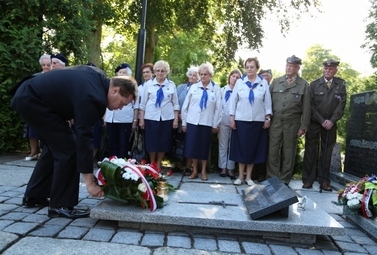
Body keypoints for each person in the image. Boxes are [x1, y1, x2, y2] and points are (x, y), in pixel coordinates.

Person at [11, 65, 137, 219]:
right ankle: (60, 205)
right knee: (69, 149)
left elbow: (70, 88)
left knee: (56, 146)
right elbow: (84, 139)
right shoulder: (94, 96)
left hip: (30, 95)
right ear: (115, 90)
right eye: (122, 103)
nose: (120, 108)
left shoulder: (97, 78)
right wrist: (90, 183)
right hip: (32, 100)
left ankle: (35, 195)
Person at [302, 59, 347, 191]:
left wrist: (332, 121)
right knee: (310, 151)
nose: (328, 71)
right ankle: (308, 180)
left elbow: (341, 105)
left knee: (327, 153)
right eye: (326, 68)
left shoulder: (341, 84)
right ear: (323, 69)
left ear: (335, 70)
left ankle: (324, 180)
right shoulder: (314, 84)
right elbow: (311, 106)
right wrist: (322, 121)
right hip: (315, 123)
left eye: (331, 69)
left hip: (331, 125)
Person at [266, 55, 310, 185]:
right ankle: (272, 179)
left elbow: (307, 107)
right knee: (273, 151)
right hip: (276, 123)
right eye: (287, 65)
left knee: (289, 153)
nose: (289, 68)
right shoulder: (276, 82)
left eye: (292, 66)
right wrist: (267, 118)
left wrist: (304, 126)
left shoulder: (303, 85)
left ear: (297, 68)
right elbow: (267, 102)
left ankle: (285, 180)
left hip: (292, 124)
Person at [229, 58, 272, 186]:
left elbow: (267, 102)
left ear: (257, 68)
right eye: (247, 67)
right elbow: (233, 101)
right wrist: (232, 117)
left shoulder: (263, 83)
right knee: (241, 148)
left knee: (253, 149)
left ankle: (248, 177)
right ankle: (240, 176)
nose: (249, 69)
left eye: (252, 67)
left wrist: (267, 118)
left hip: (257, 121)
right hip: (241, 120)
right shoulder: (240, 83)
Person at [181, 62, 221, 181]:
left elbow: (219, 109)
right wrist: (184, 122)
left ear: (211, 75)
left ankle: (203, 171)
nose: (203, 76)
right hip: (193, 121)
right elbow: (185, 106)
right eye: (201, 74)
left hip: (207, 122)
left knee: (204, 147)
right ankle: (194, 171)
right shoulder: (194, 87)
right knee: (193, 147)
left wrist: (215, 124)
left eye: (205, 74)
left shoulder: (216, 89)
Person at [139, 60, 179, 170]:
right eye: (158, 71)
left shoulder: (171, 85)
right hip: (151, 117)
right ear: (154, 72)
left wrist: (175, 119)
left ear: (167, 72)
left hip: (166, 117)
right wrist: (141, 119)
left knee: (164, 141)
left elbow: (175, 104)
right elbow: (143, 104)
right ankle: (152, 162)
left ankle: (159, 163)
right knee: (151, 141)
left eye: (163, 71)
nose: (160, 73)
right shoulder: (148, 84)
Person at [104, 63, 136, 158]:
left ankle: (122, 163)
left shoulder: (132, 87)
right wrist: (105, 117)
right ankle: (112, 162)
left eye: (124, 72)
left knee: (123, 143)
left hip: (124, 119)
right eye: (120, 72)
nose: (121, 74)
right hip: (111, 118)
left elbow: (136, 106)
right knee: (112, 142)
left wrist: (135, 120)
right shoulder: (111, 85)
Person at [24, 54, 52, 161]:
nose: (46, 67)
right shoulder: (35, 77)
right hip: (36, 107)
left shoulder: (55, 76)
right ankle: (34, 152)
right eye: (43, 65)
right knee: (31, 130)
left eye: (48, 65)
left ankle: (45, 153)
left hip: (49, 108)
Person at [175, 66, 199, 175]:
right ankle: (178, 165)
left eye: (195, 75)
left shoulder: (199, 88)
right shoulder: (180, 87)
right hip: (180, 119)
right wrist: (178, 115)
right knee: (178, 142)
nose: (192, 77)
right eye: (190, 74)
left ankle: (188, 167)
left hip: (192, 121)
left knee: (190, 143)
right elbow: (175, 102)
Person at [218, 69, 242, 179]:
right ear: (230, 77)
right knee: (223, 145)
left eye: (238, 77)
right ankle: (223, 167)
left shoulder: (241, 91)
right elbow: (218, 107)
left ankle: (230, 169)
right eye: (233, 76)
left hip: (236, 122)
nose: (235, 79)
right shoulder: (222, 90)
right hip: (223, 121)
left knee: (233, 146)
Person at [252, 68, 273, 181]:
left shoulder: (273, 88)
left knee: (266, 149)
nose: (265, 78)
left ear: (271, 78)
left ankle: (262, 173)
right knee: (255, 146)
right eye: (262, 76)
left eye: (267, 76)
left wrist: (268, 118)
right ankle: (253, 172)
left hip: (271, 122)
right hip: (257, 121)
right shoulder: (256, 88)